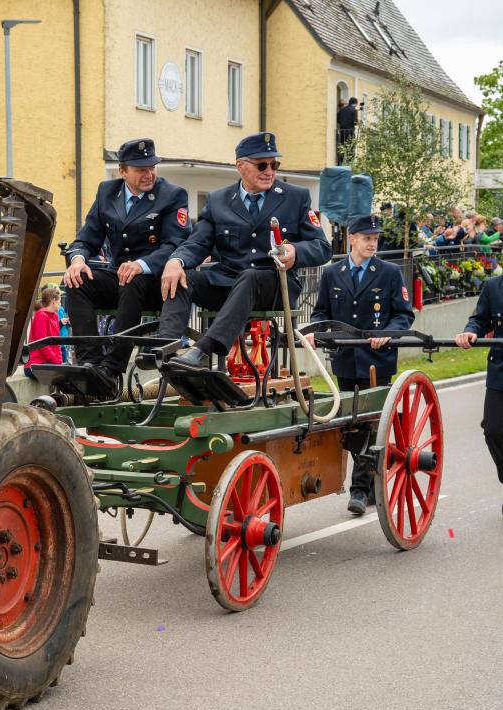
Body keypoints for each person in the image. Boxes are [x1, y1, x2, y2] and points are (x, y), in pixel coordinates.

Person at [158, 132, 331, 368]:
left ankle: (202, 351)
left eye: (274, 164)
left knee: (250, 277)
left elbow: (322, 247)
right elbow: (198, 242)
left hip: (275, 285)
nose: (269, 171)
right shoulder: (218, 200)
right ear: (240, 166)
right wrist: (176, 261)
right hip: (228, 282)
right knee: (183, 278)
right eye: (262, 165)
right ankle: (164, 350)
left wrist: (295, 252)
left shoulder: (296, 197)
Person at [61, 137, 190, 397]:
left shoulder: (172, 195)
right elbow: (86, 239)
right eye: (141, 168)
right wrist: (77, 260)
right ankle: (90, 362)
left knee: (132, 278)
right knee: (77, 281)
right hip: (120, 278)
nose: (149, 173)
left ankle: (112, 368)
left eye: (152, 166)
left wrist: (142, 265)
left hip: (156, 280)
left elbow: (176, 243)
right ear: (122, 171)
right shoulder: (107, 192)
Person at [307, 215, 415, 515]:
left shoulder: (389, 272)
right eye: (367, 237)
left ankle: (359, 489)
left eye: (375, 237)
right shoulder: (332, 273)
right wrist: (316, 331)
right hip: (344, 360)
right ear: (351, 238)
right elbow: (321, 312)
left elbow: (404, 315)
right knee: (349, 424)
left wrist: (386, 334)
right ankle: (373, 472)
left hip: (376, 361)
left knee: (367, 424)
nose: (372, 242)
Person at [455, 274, 503, 503]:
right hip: (501, 371)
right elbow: (480, 319)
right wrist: (471, 330)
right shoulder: (493, 286)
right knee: (493, 429)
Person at [24, 286, 64, 379]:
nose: (61, 304)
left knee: (67, 372)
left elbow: (57, 343)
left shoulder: (54, 316)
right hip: (35, 364)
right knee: (64, 375)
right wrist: (56, 362)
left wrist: (59, 361)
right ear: (54, 300)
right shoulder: (41, 316)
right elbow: (42, 344)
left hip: (48, 362)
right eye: (60, 301)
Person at [336, 97, 358, 162]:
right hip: (350, 132)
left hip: (342, 132)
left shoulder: (342, 110)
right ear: (356, 103)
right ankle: (349, 164)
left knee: (342, 148)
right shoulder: (354, 110)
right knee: (351, 149)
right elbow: (355, 122)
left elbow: (338, 119)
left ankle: (340, 162)